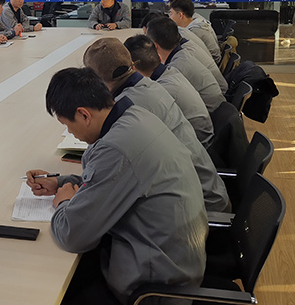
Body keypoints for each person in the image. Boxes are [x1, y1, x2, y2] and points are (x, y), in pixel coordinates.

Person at [26, 67, 206, 305]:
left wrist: (63, 202)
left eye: (67, 124)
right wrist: (61, 181)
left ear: (84, 114)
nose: (69, 131)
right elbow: (116, 180)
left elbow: (72, 235)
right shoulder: (135, 117)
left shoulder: (117, 148)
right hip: (169, 266)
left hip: (150, 300)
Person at [83, 38, 230, 213]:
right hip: (202, 189)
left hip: (201, 206)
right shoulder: (148, 86)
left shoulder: (130, 104)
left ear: (96, 81)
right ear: (132, 64)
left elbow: (97, 163)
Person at [123, 34, 214, 149]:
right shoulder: (171, 72)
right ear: (159, 57)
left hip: (200, 145)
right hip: (204, 136)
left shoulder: (160, 90)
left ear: (133, 68)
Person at [146, 16, 227, 112]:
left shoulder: (177, 67)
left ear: (155, 45)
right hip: (217, 105)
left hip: (212, 112)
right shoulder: (182, 53)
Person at [168, 0, 221, 64]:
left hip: (211, 62)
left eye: (171, 14)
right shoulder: (195, 22)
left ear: (181, 15)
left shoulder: (194, 31)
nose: (169, 17)